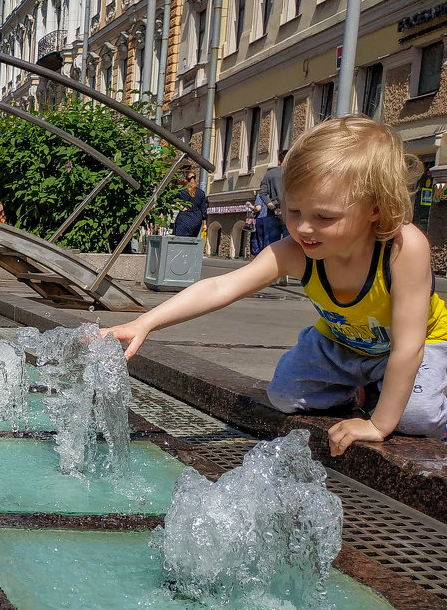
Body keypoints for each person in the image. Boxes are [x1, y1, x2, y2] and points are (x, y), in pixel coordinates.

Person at [103, 116, 447, 458]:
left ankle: (407, 393)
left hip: (416, 346)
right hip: (341, 344)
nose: (304, 229)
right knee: (284, 395)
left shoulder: (402, 248)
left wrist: (378, 425)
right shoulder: (294, 253)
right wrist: (144, 322)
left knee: (417, 417)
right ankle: (363, 391)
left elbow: (408, 348)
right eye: (293, 211)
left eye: (324, 217)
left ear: (375, 208)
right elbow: (221, 287)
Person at [252, 150, 287, 256]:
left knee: (272, 244)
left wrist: (269, 204)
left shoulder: (269, 174)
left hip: (272, 212)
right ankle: (286, 268)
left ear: (279, 161)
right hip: (288, 213)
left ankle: (273, 268)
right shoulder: (294, 174)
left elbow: (262, 193)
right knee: (289, 243)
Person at [172, 170, 207, 238]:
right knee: (192, 241)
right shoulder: (201, 193)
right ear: (195, 179)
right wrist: (205, 224)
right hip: (196, 219)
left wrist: (179, 205)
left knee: (180, 240)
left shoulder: (181, 191)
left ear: (186, 179)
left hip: (184, 218)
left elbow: (171, 198)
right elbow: (204, 210)